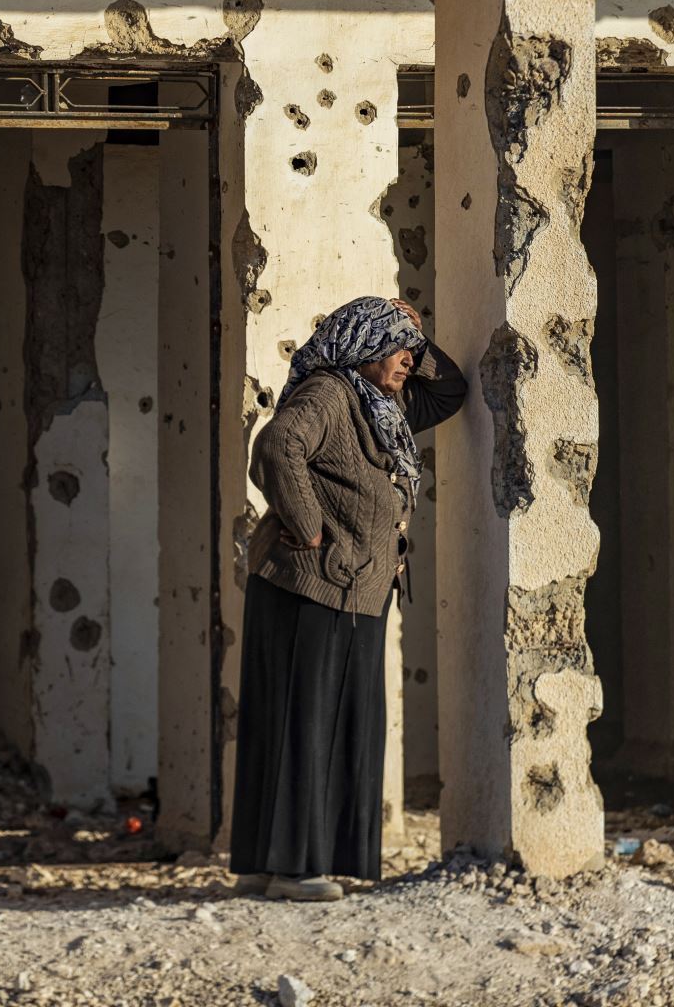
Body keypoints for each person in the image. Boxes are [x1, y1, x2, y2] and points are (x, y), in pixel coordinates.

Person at [229, 295, 469, 901]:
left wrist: (416, 328)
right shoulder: (331, 393)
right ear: (360, 345)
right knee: (308, 722)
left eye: (410, 351)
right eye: (393, 346)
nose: (407, 360)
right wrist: (310, 527)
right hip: (312, 584)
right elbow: (277, 447)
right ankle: (296, 869)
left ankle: (269, 864)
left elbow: (451, 393)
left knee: (316, 722)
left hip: (346, 589)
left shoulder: (381, 407)